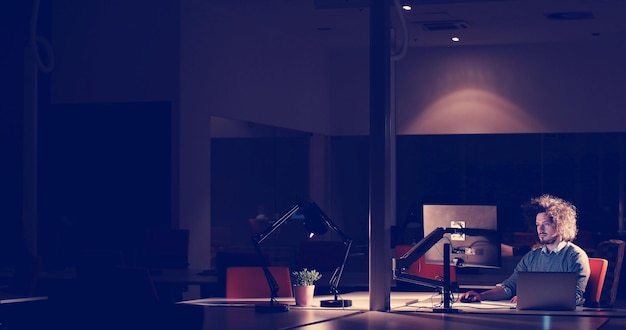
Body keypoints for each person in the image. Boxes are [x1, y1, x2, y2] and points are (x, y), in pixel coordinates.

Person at [459, 194, 591, 306]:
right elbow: (509, 286)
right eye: (538, 225)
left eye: (546, 224)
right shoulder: (532, 257)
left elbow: (576, 297)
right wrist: (481, 296)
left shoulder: (575, 256)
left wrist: (533, 298)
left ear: (561, 225)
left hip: (565, 322)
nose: (540, 230)